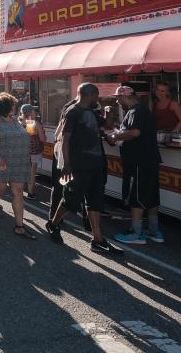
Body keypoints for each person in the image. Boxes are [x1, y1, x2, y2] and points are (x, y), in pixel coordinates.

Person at [46, 83, 123, 256]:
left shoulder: (93, 112)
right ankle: (53, 223)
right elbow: (65, 139)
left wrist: (109, 113)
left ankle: (97, 239)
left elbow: (108, 126)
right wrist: (66, 164)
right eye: (96, 95)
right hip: (79, 164)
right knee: (70, 198)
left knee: (95, 201)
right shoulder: (73, 112)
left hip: (96, 164)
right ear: (89, 94)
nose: (98, 98)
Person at [109, 86, 164, 245]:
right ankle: (155, 231)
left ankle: (136, 232)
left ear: (124, 97)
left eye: (118, 98)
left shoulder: (135, 111)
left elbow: (135, 133)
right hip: (151, 159)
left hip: (139, 161)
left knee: (136, 195)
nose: (117, 101)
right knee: (151, 194)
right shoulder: (144, 110)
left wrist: (115, 136)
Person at [0, 93, 35, 239]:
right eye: (12, 105)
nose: (14, 107)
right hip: (0, 161)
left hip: (18, 162)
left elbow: (30, 134)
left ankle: (19, 226)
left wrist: (30, 123)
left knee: (18, 191)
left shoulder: (16, 121)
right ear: (3, 106)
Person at [19, 104, 46, 199]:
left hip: (21, 150)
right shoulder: (32, 123)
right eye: (34, 111)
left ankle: (19, 191)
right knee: (31, 172)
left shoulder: (19, 122)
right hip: (32, 152)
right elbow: (41, 139)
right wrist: (43, 134)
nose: (36, 112)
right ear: (30, 112)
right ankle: (30, 193)